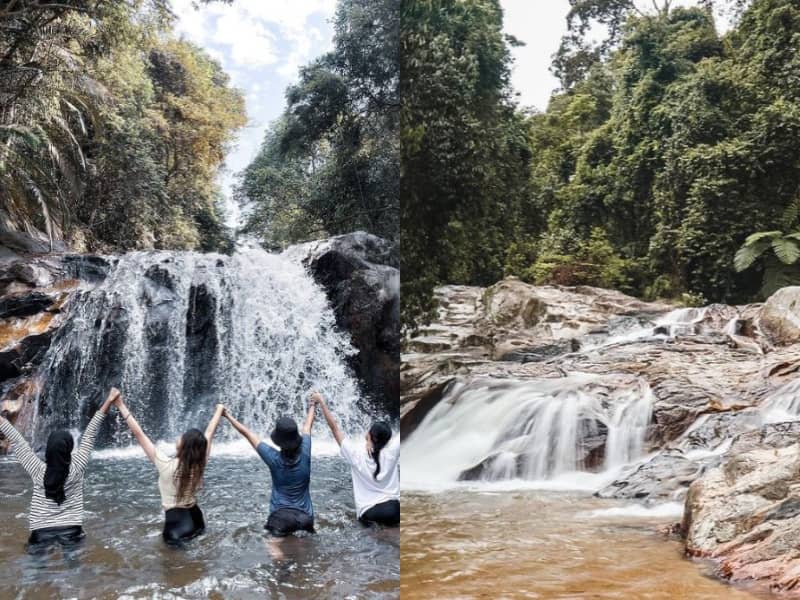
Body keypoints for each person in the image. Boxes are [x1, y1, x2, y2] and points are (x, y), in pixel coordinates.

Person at [0, 388, 120, 552]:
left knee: (34, 573)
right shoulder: (77, 466)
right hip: (71, 531)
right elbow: (90, 433)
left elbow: (17, 441)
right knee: (74, 573)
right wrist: (109, 401)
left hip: (40, 531)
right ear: (69, 449)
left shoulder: (37, 469)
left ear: (48, 450)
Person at [114, 394, 224, 545]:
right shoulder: (200, 463)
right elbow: (209, 433)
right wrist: (219, 411)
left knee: (172, 566)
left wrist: (120, 405)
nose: (178, 437)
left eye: (182, 437)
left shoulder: (165, 463)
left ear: (184, 445)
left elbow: (139, 434)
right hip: (197, 519)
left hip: (177, 524)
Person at [224, 399, 316, 537]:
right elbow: (307, 426)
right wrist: (312, 405)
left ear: (279, 440)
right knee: (302, 552)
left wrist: (227, 415)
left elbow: (247, 433)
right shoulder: (305, 452)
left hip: (281, 518)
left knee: (272, 548)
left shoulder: (273, 458)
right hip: (306, 518)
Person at [313, 392, 399, 526]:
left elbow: (334, 428)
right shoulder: (392, 452)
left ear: (369, 435)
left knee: (375, 537)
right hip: (395, 509)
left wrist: (322, 402)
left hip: (370, 511)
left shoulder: (355, 454)